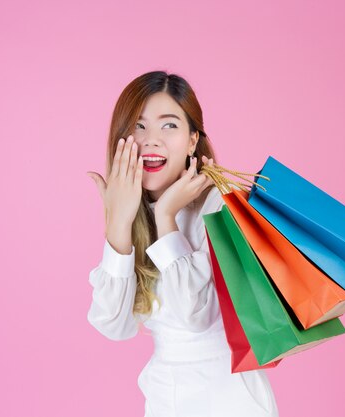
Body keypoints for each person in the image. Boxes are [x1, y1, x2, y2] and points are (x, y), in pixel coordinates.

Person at [86, 70, 279, 417]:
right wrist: (118, 224)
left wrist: (167, 218)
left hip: (232, 398)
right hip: (165, 399)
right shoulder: (130, 213)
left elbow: (196, 315)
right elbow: (114, 325)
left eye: (169, 125)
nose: (152, 140)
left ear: (193, 140)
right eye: (139, 126)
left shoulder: (220, 206)